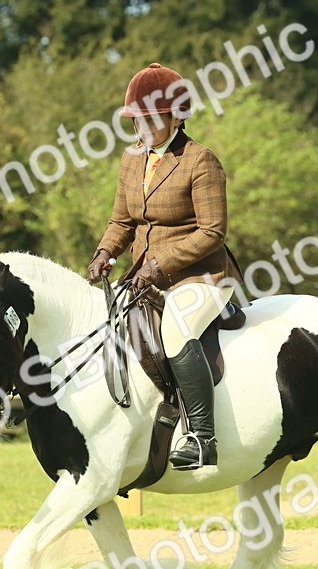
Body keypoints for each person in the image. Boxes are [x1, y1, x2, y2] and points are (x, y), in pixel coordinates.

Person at [86, 62, 244, 471]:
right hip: (143, 276)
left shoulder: (200, 160)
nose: (142, 126)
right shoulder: (131, 160)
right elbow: (122, 221)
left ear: (176, 115)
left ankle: (202, 438)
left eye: (151, 118)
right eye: (137, 119)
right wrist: (104, 253)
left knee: (175, 332)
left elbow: (213, 232)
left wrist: (159, 264)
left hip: (201, 276)